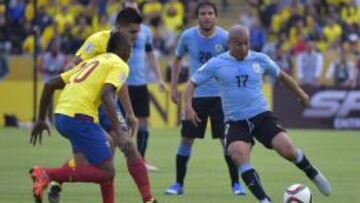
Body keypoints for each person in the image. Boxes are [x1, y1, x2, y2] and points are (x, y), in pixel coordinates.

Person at [183, 25, 332, 203]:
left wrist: (301, 94)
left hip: (261, 116)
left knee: (288, 150)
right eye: (239, 44)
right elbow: (191, 83)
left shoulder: (260, 59)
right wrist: (188, 107)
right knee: (237, 154)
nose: (244, 48)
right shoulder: (216, 63)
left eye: (247, 44)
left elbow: (282, 76)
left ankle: (312, 172)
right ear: (229, 44)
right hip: (235, 121)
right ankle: (264, 200)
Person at [47, 8, 158, 203]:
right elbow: (71, 66)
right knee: (88, 160)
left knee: (126, 145)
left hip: (107, 103)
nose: (134, 37)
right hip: (86, 104)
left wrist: (130, 113)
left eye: (137, 33)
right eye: (131, 32)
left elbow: (118, 81)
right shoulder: (98, 40)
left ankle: (148, 199)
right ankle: (56, 179)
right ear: (119, 28)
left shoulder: (123, 50)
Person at [29, 32, 139, 203]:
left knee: (105, 147)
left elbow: (49, 84)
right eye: (130, 49)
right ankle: (47, 174)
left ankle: (55, 179)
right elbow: (106, 94)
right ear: (125, 50)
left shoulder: (90, 62)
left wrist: (41, 119)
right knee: (107, 171)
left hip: (62, 116)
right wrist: (120, 132)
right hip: (80, 118)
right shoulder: (120, 64)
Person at [166, 1, 245, 196]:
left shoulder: (226, 37)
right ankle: (178, 184)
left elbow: (237, 63)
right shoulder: (187, 36)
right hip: (196, 96)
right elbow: (176, 60)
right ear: (197, 16)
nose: (207, 16)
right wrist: (174, 87)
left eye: (210, 13)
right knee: (186, 139)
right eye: (203, 13)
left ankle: (236, 184)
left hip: (221, 98)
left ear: (215, 16)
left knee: (226, 141)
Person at [121, 1, 166, 172]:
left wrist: (159, 78)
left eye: (135, 9)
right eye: (129, 9)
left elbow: (151, 55)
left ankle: (140, 160)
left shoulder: (145, 31)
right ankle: (105, 159)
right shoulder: (114, 30)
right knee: (114, 123)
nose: (132, 11)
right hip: (119, 82)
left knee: (143, 122)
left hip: (140, 82)